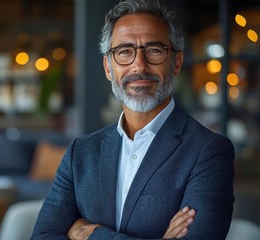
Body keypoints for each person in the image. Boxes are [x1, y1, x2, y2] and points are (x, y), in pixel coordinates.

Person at [31, 0, 235, 239]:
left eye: (154, 50)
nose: (139, 65)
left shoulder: (209, 152)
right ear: (108, 67)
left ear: (176, 62)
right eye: (125, 51)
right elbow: (42, 236)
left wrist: (92, 234)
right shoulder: (81, 153)